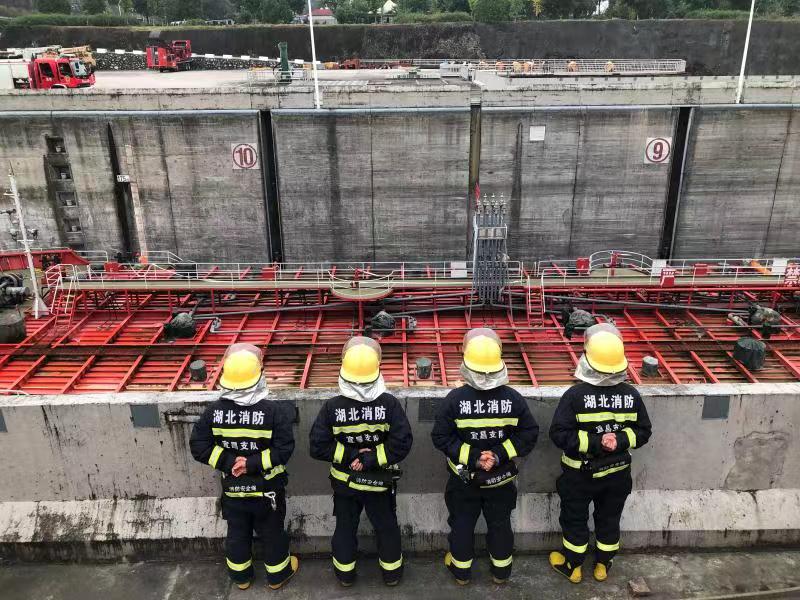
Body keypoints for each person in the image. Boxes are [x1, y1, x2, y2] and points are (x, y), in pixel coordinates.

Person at [431, 327, 539, 585]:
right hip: (500, 480)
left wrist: (474, 457)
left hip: (464, 480)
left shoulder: (455, 399)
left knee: (462, 524)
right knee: (500, 524)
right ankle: (501, 573)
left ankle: (461, 573)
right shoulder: (513, 399)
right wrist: (499, 455)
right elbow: (528, 434)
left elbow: (441, 437)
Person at [190, 343, 299, 591]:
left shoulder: (214, 412)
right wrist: (252, 464)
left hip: (233, 488)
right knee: (272, 532)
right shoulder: (273, 412)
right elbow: (284, 449)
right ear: (258, 377)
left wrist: (230, 463)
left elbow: (199, 446)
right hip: (267, 489)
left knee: (237, 532)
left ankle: (241, 578)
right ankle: (277, 576)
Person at [549, 323, 652, 584]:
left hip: (579, 475)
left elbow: (560, 435)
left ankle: (573, 566)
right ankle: (603, 565)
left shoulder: (575, 395)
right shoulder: (630, 395)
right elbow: (643, 432)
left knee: (574, 518)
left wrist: (595, 442)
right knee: (609, 519)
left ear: (587, 359)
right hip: (617, 474)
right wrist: (619, 440)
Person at [309, 336, 413, 587]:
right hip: (379, 482)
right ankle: (392, 575)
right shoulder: (389, 404)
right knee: (386, 526)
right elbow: (402, 443)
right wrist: (371, 458)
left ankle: (345, 576)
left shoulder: (333, 407)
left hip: (346, 484)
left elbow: (317, 446)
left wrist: (351, 456)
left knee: (345, 528)